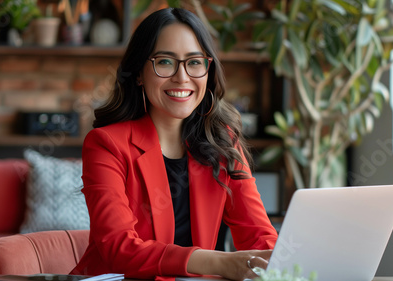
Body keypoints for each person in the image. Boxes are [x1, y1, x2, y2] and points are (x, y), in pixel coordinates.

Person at [70, 7, 278, 281]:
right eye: (165, 62)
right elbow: (119, 249)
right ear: (139, 74)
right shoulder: (106, 144)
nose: (182, 77)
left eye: (194, 62)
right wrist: (221, 263)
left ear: (207, 70)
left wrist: (284, 263)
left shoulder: (222, 142)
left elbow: (260, 236)